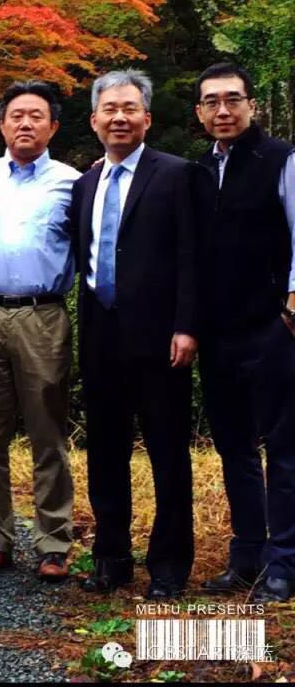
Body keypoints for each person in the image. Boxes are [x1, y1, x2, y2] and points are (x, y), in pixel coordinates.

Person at [71, 69, 198, 600]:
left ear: (147, 117)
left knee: (168, 452)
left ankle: (169, 566)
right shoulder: (85, 183)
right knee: (105, 450)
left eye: (129, 108)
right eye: (110, 109)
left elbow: (192, 255)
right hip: (101, 332)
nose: (119, 117)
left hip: (161, 337)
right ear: (94, 120)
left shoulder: (177, 174)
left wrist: (187, 325)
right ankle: (111, 558)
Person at [0, 80, 79, 581]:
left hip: (43, 315)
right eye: (16, 115)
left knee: (47, 431)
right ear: (1, 125)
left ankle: (53, 540)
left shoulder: (74, 182)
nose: (26, 123)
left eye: (37, 116)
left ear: (53, 126)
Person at [194, 61, 295, 604]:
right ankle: (247, 554)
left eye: (233, 99)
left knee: (284, 448)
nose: (223, 110)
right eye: (212, 101)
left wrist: (291, 309)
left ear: (251, 105)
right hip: (217, 332)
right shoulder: (199, 170)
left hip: (271, 327)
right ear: (199, 112)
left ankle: (284, 562)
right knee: (234, 446)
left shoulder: (281, 159)